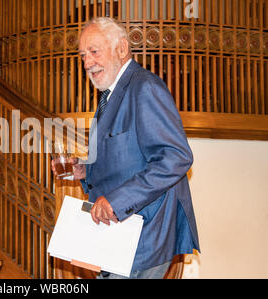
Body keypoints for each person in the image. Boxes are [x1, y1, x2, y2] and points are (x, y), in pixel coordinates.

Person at [51, 17, 200, 279]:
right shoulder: (110, 94)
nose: (87, 63)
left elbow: (176, 157)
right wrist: (85, 171)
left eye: (94, 52)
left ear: (121, 49)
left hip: (143, 237)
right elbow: (129, 158)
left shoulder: (145, 87)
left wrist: (117, 201)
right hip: (118, 239)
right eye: (83, 55)